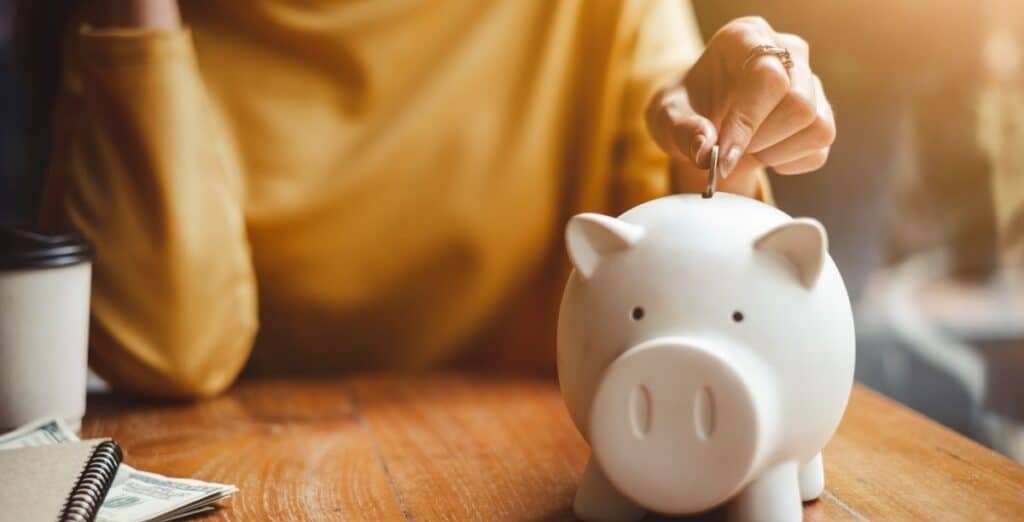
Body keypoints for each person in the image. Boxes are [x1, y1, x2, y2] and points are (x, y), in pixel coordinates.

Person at [29, 0, 835, 398]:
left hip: (528, 455)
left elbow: (685, 259)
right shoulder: (156, 27)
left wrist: (724, 134)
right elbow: (165, 347)